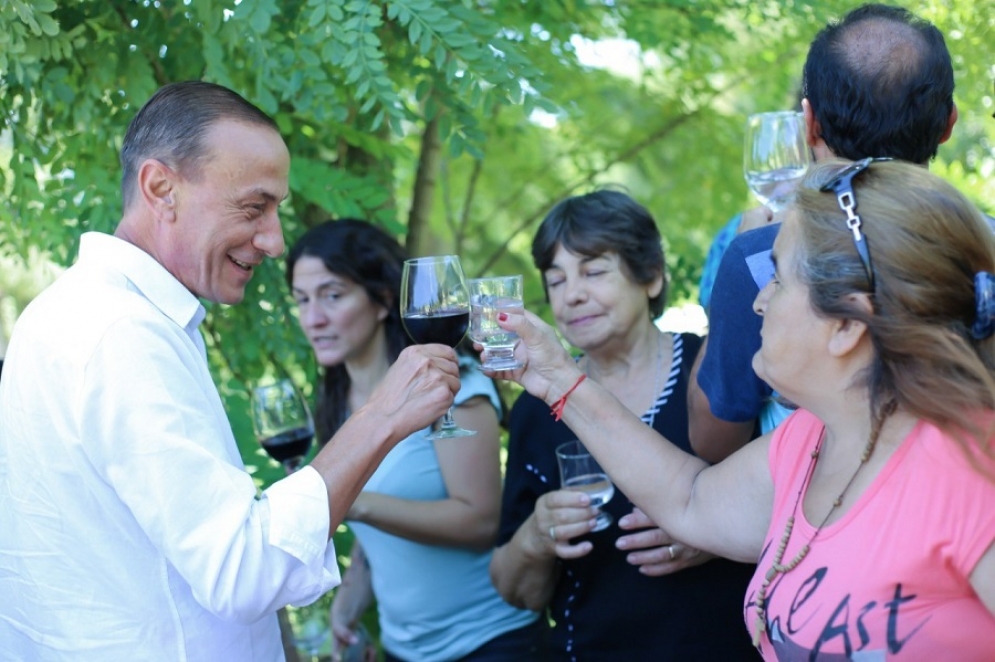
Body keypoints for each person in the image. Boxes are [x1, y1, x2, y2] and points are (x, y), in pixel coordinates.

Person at [0, 81, 461, 660]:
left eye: (276, 211)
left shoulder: (70, 311)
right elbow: (242, 571)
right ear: (160, 187)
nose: (273, 241)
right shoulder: (122, 334)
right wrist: (384, 416)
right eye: (253, 207)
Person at [492, 159, 995, 660]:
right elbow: (689, 498)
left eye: (776, 279)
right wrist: (559, 378)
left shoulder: (975, 471)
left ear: (848, 324)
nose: (757, 303)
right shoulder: (808, 441)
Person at [489, 190, 758, 660]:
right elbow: (519, 593)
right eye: (555, 280)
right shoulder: (535, 403)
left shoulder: (713, 371)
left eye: (593, 271)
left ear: (651, 276)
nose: (572, 294)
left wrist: (710, 533)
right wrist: (536, 536)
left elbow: (801, 517)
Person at [689, 3, 961, 462]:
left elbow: (712, 442)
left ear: (808, 123)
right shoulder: (983, 242)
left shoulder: (760, 258)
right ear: (948, 123)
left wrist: (726, 285)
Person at [286, 219, 541, 662]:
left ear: (384, 299)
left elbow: (481, 523)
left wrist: (349, 500)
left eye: (332, 295)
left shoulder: (450, 383)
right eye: (302, 300)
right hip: (404, 649)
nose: (314, 318)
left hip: (491, 643)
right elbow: (383, 527)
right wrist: (349, 601)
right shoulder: (338, 404)